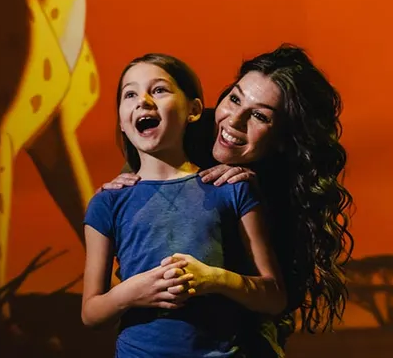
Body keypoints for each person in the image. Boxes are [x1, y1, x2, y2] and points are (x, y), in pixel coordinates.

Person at [101, 44, 355, 356]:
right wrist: (127, 184)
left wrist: (252, 197)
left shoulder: (290, 191)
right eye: (234, 98)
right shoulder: (181, 129)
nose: (233, 121)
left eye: (259, 116)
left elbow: (276, 299)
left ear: (287, 139)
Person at [81, 53, 287, 358]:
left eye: (159, 89)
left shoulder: (230, 188)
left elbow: (273, 296)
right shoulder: (107, 202)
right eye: (130, 94)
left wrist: (214, 280)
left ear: (194, 109)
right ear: (122, 122)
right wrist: (132, 292)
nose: (143, 101)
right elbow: (91, 312)